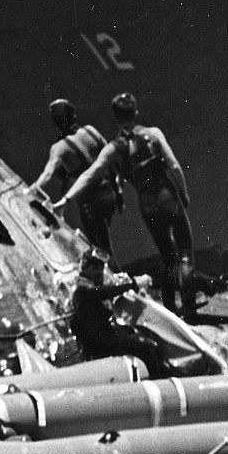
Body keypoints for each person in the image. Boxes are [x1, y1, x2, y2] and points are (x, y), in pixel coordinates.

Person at [63, 93, 197, 318]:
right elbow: (174, 166)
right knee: (184, 252)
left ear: (116, 117)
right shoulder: (153, 134)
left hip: (148, 205)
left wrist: (66, 200)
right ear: (135, 111)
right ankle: (189, 307)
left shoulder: (115, 148)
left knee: (167, 255)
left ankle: (170, 307)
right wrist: (183, 192)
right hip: (167, 197)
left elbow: (91, 174)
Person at [32, 99, 117, 257]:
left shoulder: (59, 148)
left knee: (101, 250)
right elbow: (110, 158)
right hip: (109, 194)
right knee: (104, 243)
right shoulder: (91, 131)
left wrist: (30, 191)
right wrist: (118, 191)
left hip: (90, 202)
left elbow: (48, 174)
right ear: (74, 115)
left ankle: (114, 271)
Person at [68, 252, 170, 377]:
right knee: (149, 348)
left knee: (144, 340)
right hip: (102, 343)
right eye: (95, 268)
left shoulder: (88, 286)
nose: (99, 272)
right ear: (85, 269)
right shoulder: (81, 290)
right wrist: (133, 284)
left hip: (107, 336)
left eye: (101, 268)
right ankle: (159, 380)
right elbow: (104, 292)